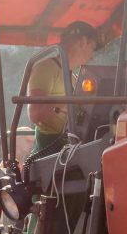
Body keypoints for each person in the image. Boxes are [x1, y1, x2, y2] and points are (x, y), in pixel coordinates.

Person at [27, 21, 100, 156]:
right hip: (47, 151)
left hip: (70, 148)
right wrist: (69, 102)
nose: (92, 55)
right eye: (92, 48)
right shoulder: (45, 68)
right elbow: (35, 113)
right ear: (83, 41)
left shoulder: (75, 79)